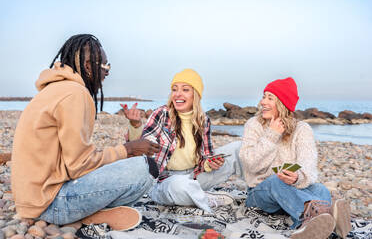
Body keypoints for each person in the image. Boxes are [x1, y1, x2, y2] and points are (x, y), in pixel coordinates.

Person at [11, 34, 160, 230]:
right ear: (89, 66)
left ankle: (89, 214)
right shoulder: (75, 93)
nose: (107, 73)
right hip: (50, 204)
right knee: (146, 168)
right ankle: (86, 215)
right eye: (105, 66)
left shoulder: (53, 89)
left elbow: (70, 161)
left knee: (119, 165)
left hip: (30, 202)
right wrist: (128, 150)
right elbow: (79, 166)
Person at [235, 77, 351, 238]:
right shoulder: (253, 125)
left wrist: (298, 177)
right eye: (264, 96)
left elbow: (308, 163)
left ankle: (314, 225)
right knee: (276, 181)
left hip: (292, 192)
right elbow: (250, 164)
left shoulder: (302, 129)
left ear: (283, 103)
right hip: (259, 194)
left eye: (270, 98)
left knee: (320, 188)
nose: (263, 102)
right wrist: (272, 135)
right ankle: (321, 216)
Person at [122, 69, 244, 212]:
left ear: (195, 95)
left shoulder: (203, 120)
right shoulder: (162, 114)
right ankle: (206, 198)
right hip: (165, 181)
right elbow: (144, 145)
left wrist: (211, 163)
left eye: (185, 89)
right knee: (179, 186)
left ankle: (255, 189)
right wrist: (136, 125)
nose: (178, 94)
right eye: (175, 89)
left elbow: (205, 158)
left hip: (195, 176)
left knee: (238, 147)